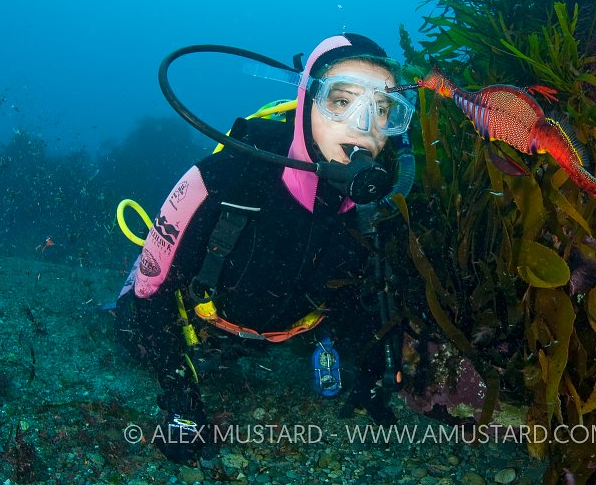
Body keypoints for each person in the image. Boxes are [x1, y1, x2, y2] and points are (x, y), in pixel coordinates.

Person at [115, 33, 413, 463]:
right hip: (202, 317)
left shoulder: (374, 212)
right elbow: (152, 298)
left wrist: (370, 374)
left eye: (383, 109)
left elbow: (362, 298)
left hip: (290, 330)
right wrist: (182, 399)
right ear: (306, 102)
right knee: (131, 333)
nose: (362, 126)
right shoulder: (223, 178)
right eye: (342, 102)